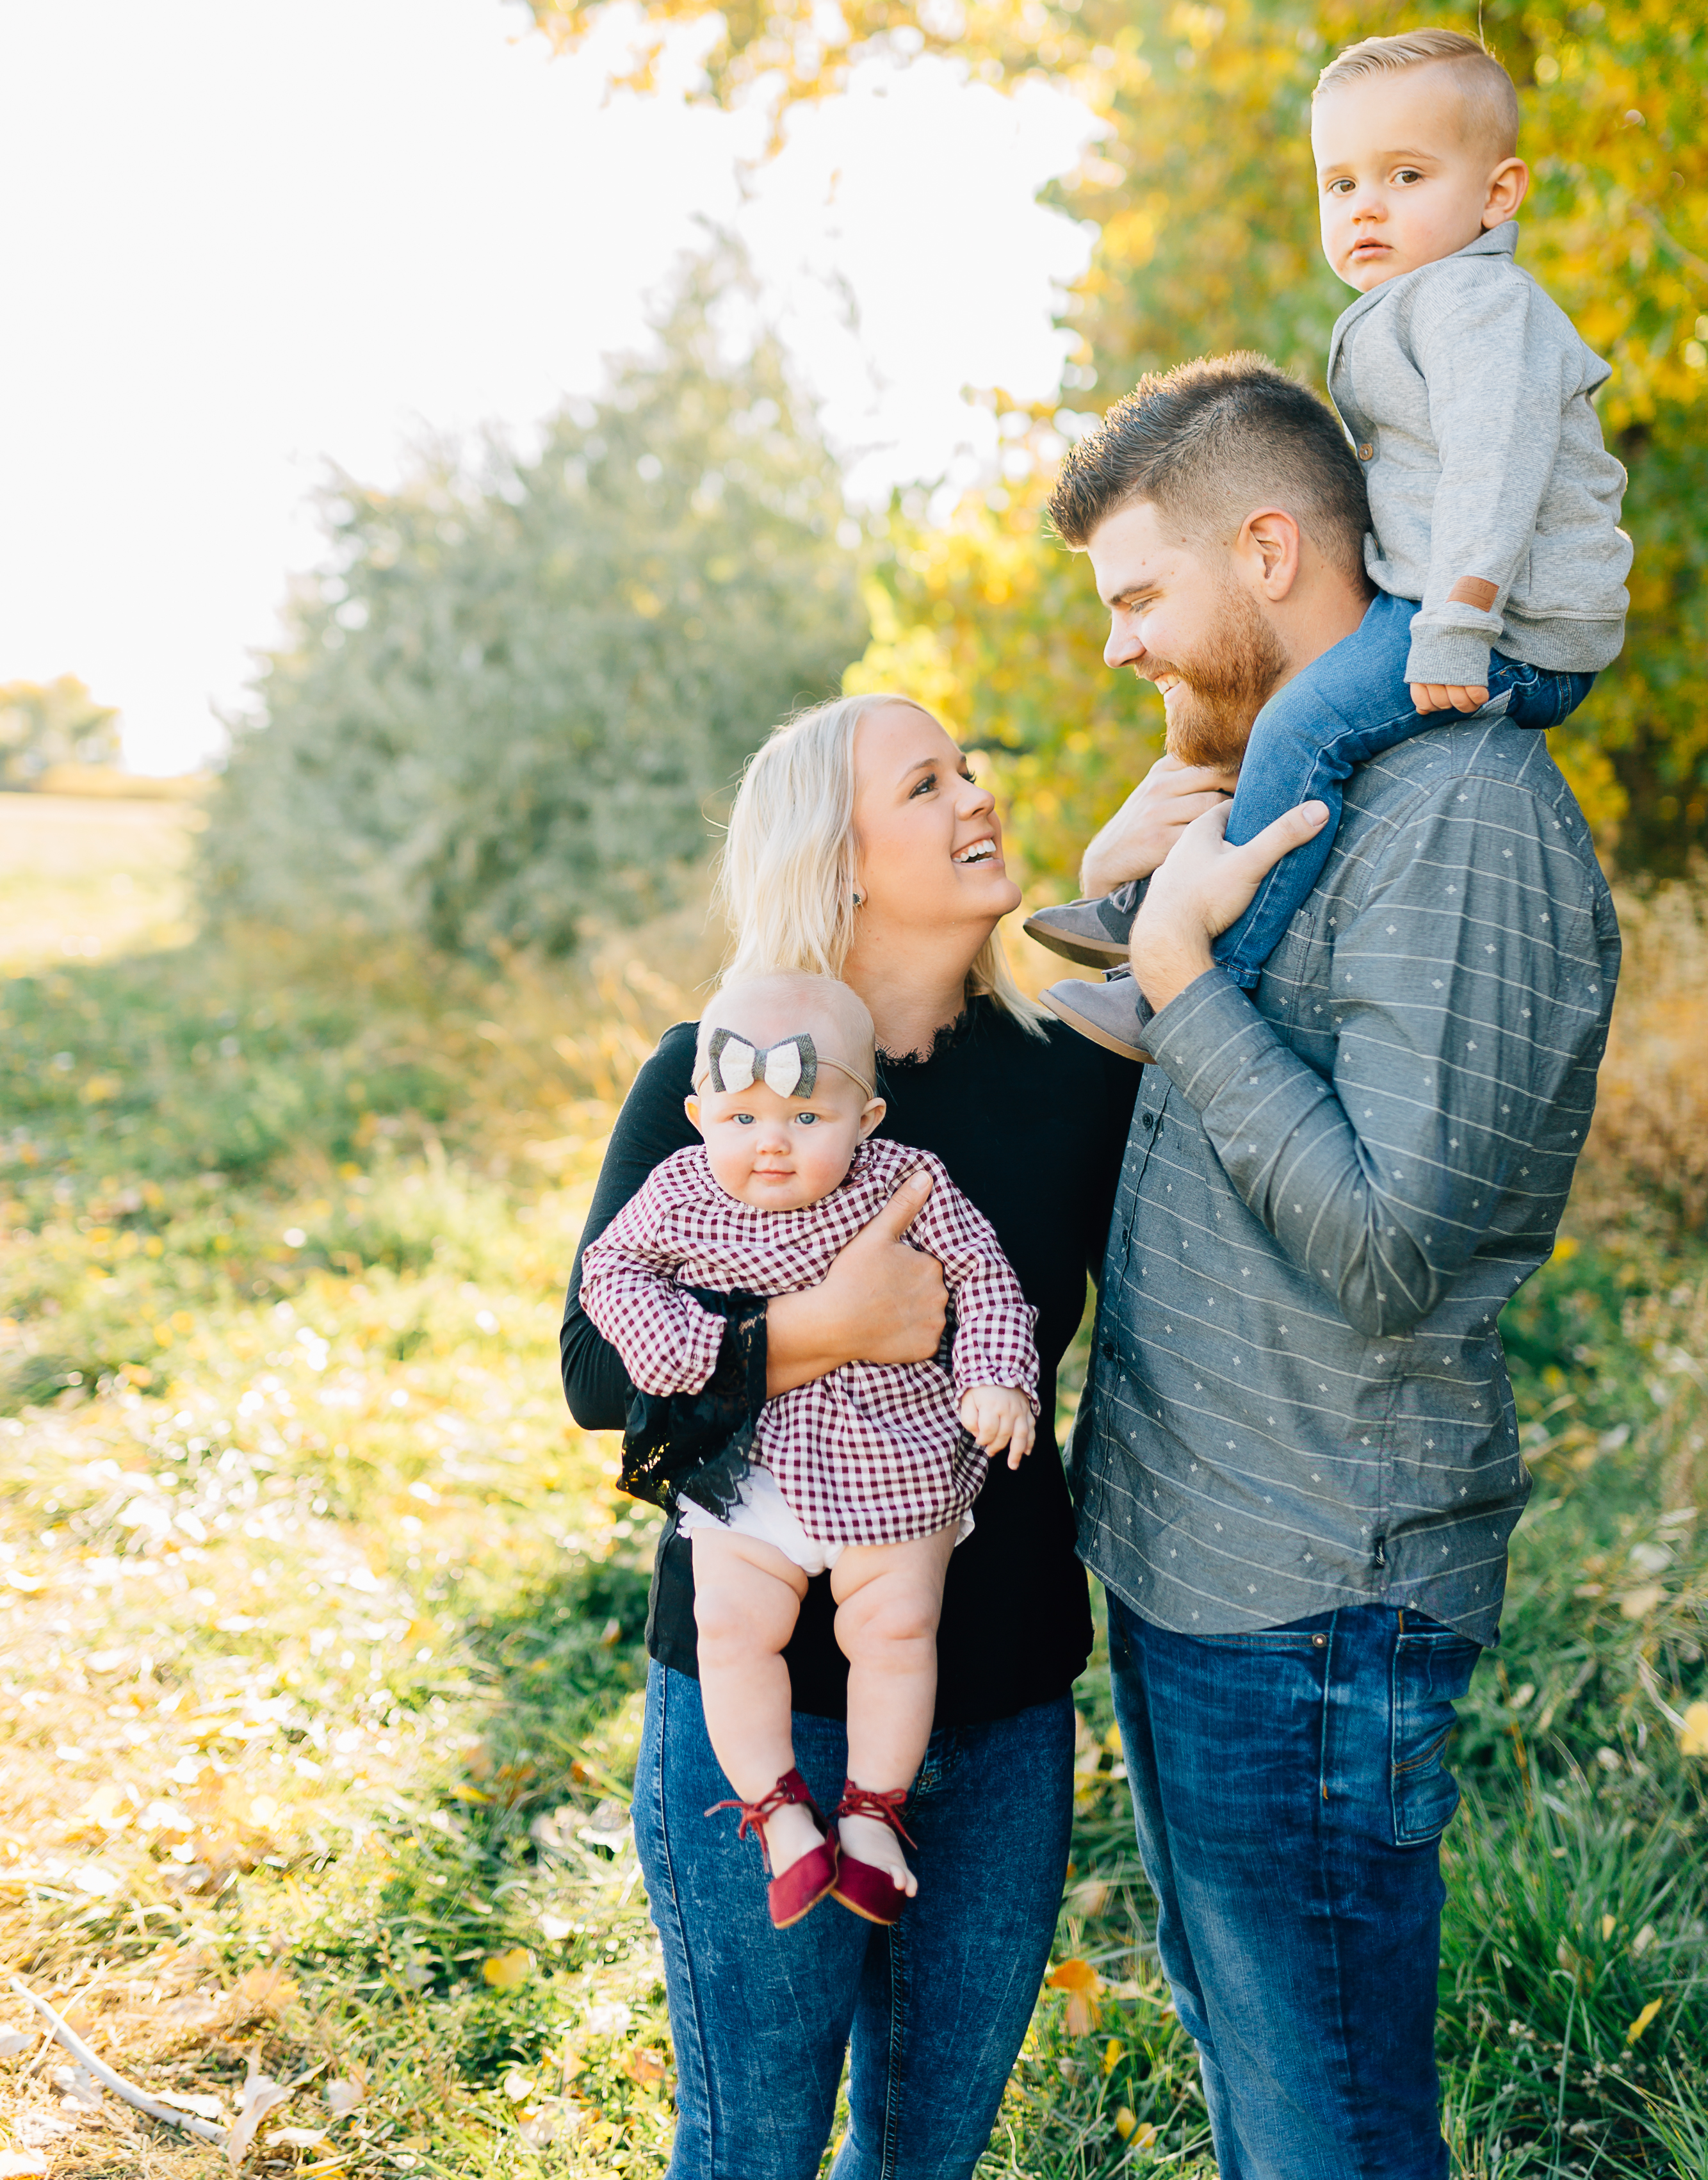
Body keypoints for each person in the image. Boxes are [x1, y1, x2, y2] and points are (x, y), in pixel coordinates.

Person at [1042, 355, 1620, 2178]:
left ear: (1271, 545)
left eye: (1141, 595)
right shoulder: (1275, 795)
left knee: (1328, 2136)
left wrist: (1185, 989)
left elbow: (1386, 1247)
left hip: (1314, 1590)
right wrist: (1133, 909)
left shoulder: (1460, 815)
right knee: (1256, 2086)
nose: (1123, 644)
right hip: (1185, 1552)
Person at [559, 692, 1140, 2180]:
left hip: (1001, 1687)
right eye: (927, 781)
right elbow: (588, 1371)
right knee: (751, 2145)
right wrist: (826, 1323)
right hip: (763, 1704)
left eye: (971, 764)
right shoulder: (722, 1073)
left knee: (925, 2155)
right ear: (840, 856)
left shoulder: (1072, 1083)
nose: (977, 794)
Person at [1029, 26, 1631, 1053]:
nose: (1365, 207)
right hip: (1451, 610)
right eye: (1339, 183)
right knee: (1288, 722)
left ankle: (1174, 975)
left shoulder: (1477, 303)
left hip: (1507, 628)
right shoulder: (1414, 306)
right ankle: (1147, 906)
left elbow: (1500, 461)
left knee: (1301, 728)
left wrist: (1458, 622)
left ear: (1498, 195)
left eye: (1404, 175)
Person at [578, 967, 1039, 1931]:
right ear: (701, 1114)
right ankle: (780, 1812)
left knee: (896, 1629)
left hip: (892, 1454)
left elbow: (991, 1285)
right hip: (751, 1466)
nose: (772, 1144)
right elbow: (609, 1272)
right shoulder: (677, 1190)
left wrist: (996, 1378)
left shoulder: (911, 1182)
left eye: (804, 1117)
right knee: (734, 1628)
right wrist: (687, 1346)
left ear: (866, 1117)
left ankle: (873, 1815)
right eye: (742, 1120)